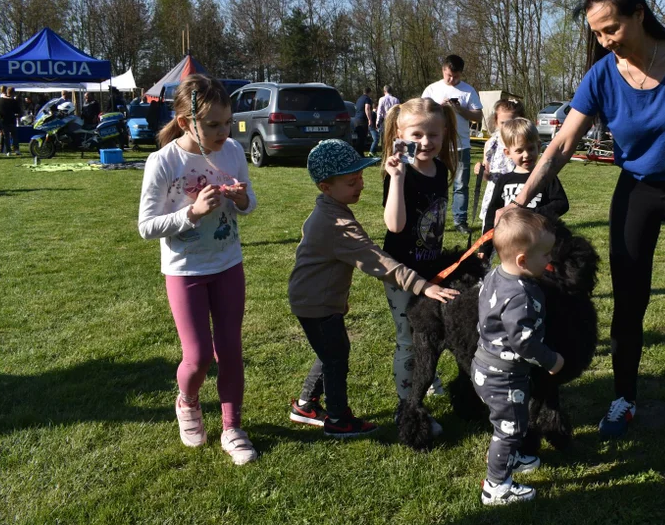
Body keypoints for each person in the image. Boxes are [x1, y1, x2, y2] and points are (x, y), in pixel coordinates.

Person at [498, 0, 665, 459]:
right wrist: (522, 196)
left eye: (612, 29)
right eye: (598, 33)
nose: (606, 40)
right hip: (637, 192)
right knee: (628, 305)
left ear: (638, 14)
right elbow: (560, 144)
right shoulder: (602, 75)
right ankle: (624, 399)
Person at [287, 139, 458, 437]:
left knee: (331, 350)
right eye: (352, 181)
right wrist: (421, 285)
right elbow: (377, 260)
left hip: (317, 300)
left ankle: (305, 403)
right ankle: (338, 419)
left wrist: (335, 300)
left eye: (361, 177)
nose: (361, 185)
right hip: (316, 303)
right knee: (336, 358)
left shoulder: (327, 209)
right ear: (326, 187)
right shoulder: (337, 223)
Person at [137, 74, 259, 465]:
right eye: (213, 125)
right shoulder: (163, 161)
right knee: (199, 356)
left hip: (227, 264)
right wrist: (191, 213)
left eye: (228, 123)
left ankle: (232, 428)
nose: (224, 132)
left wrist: (241, 200)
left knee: (230, 350)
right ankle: (187, 402)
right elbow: (145, 226)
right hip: (185, 270)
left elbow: (250, 203)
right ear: (188, 122)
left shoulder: (233, 151)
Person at [473, 208, 565, 505]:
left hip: (485, 364)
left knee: (513, 421)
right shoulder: (520, 296)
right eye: (546, 255)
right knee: (510, 427)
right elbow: (523, 342)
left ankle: (511, 458)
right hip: (503, 374)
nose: (550, 259)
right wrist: (552, 360)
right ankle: (496, 486)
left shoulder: (495, 276)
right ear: (523, 260)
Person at [381, 97, 460, 418]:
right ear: (399, 133)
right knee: (408, 341)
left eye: (433, 135)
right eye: (416, 135)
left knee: (431, 332)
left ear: (444, 133)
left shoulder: (440, 169)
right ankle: (406, 407)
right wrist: (397, 179)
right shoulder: (399, 172)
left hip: (432, 267)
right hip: (400, 271)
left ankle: (426, 378)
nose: (425, 142)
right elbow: (395, 225)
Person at [481, 118, 568, 259]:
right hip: (512, 248)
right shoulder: (503, 181)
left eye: (530, 148)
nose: (526, 155)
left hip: (541, 246)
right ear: (507, 153)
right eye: (519, 150)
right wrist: (485, 247)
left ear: (539, 147)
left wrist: (532, 214)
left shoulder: (546, 177)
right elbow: (492, 214)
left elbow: (561, 204)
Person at [422, 55, 483, 234]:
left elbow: (478, 116)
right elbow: (420, 114)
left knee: (461, 185)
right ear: (443, 70)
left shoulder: (468, 91)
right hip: (435, 146)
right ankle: (431, 219)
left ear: (461, 74)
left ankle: (460, 221)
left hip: (461, 145)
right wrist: (437, 108)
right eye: (449, 75)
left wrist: (460, 110)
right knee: (433, 183)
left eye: (456, 76)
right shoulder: (432, 89)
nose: (452, 79)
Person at [476, 98, 527, 226]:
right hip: (495, 193)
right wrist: (481, 171)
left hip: (515, 192)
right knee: (492, 229)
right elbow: (487, 175)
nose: (507, 127)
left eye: (512, 122)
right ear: (496, 122)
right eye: (503, 123)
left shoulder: (523, 143)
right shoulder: (491, 144)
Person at [372, 85, 399, 156]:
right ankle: (394, 152)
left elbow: (379, 111)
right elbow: (398, 111)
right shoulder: (396, 99)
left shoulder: (382, 99)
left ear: (384, 91)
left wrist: (377, 121)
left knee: (384, 137)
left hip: (385, 120)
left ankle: (385, 152)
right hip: (394, 120)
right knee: (394, 136)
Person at [0, 87, 20, 156]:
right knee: (14, 136)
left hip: (4, 120)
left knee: (6, 136)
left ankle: (8, 151)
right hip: (12, 120)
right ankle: (16, 150)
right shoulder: (14, 101)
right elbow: (17, 110)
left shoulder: (0, 100)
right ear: (13, 93)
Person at [355, 88, 374, 155]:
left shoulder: (359, 99)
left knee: (359, 137)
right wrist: (369, 119)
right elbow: (367, 108)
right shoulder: (367, 99)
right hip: (363, 120)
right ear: (369, 92)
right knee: (362, 137)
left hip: (357, 119)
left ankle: (358, 153)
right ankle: (360, 154)